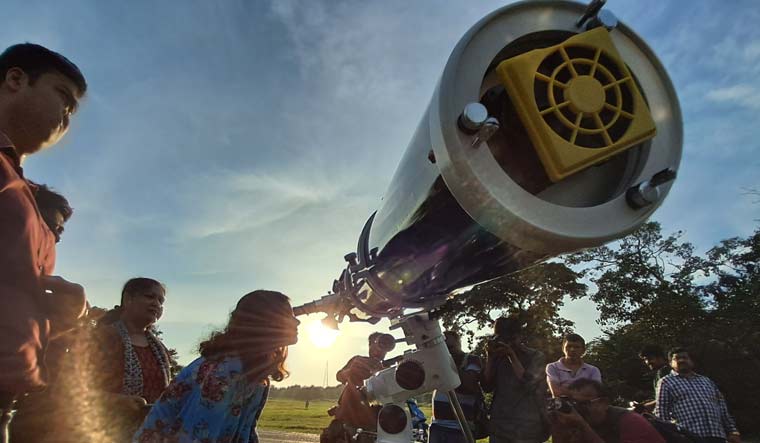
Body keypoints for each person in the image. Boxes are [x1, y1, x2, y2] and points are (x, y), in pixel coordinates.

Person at [0, 42, 87, 442]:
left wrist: (57, 315)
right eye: (62, 96)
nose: (68, 116)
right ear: (16, 79)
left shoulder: (23, 193)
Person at [133, 290, 300, 443]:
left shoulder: (254, 372)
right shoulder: (223, 373)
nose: (297, 321)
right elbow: (196, 436)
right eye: (288, 315)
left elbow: (245, 433)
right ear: (266, 321)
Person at [482, 316, 550, 443]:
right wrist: (490, 357)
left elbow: (529, 384)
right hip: (500, 425)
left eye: (510, 339)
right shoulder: (497, 356)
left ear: (519, 337)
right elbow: (486, 386)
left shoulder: (535, 356)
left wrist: (511, 356)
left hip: (527, 426)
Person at [321, 332, 396, 443]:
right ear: (370, 346)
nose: (379, 351)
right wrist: (351, 372)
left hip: (370, 423)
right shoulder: (358, 360)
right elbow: (339, 376)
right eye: (377, 345)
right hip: (345, 417)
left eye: (384, 348)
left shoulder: (388, 370)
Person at [656, 348, 741, 443]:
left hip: (717, 435)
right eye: (677, 358)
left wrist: (733, 432)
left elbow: (722, 408)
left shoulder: (707, 381)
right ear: (670, 363)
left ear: (691, 361)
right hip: (688, 437)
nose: (681, 360)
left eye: (685, 357)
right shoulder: (665, 382)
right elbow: (661, 413)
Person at [552, 378, 665, 443]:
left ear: (604, 403)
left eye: (584, 404)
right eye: (573, 403)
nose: (578, 409)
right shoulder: (581, 423)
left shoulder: (630, 421)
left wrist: (583, 426)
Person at [429, 331, 483, 443]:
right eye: (443, 348)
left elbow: (469, 384)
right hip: (437, 425)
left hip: (461, 427)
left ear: (459, 343)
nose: (448, 351)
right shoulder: (437, 361)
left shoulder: (471, 360)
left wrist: (448, 362)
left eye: (450, 347)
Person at [546, 333, 602, 398]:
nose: (572, 350)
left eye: (577, 347)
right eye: (569, 346)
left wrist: (565, 390)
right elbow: (556, 392)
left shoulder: (593, 370)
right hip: (562, 406)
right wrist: (584, 393)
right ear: (563, 348)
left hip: (587, 407)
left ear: (583, 351)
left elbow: (595, 393)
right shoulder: (553, 367)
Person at [634, 344, 671, 412]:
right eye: (645, 359)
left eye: (650, 358)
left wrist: (644, 407)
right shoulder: (659, 373)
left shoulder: (665, 372)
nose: (647, 362)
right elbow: (659, 397)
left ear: (660, 357)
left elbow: (668, 398)